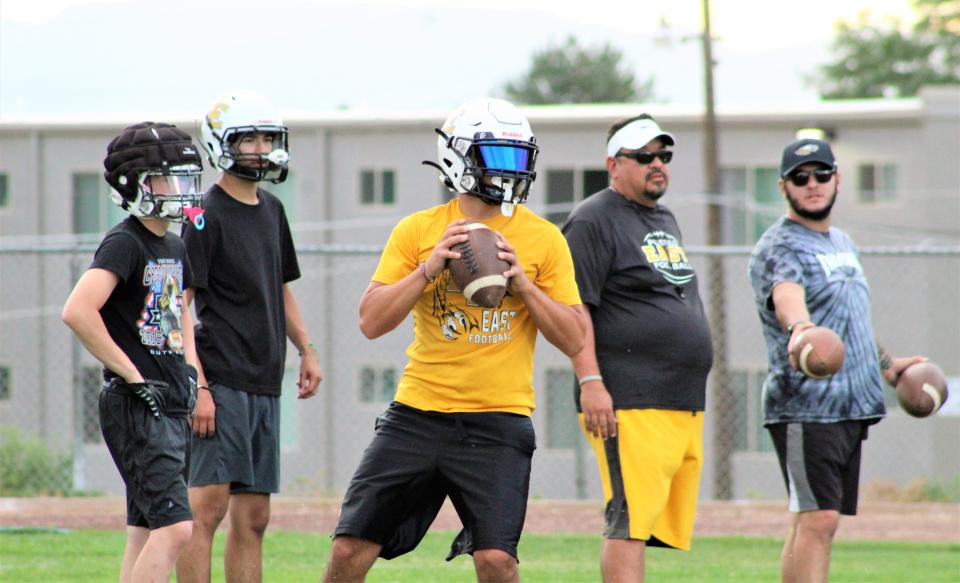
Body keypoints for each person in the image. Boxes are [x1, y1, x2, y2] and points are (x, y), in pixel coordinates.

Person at [323, 97, 585, 583]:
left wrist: (524, 285)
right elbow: (370, 322)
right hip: (418, 414)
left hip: (499, 418)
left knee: (497, 562)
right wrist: (428, 270)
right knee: (348, 548)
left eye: (518, 158)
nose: (511, 172)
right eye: (498, 157)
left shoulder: (545, 239)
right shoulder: (418, 230)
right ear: (458, 158)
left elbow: (574, 337)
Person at [748, 137, 925, 583]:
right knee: (818, 519)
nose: (813, 184)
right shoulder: (779, 245)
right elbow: (788, 296)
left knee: (815, 520)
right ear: (784, 186)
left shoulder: (841, 242)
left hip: (851, 405)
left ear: (837, 180)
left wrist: (888, 366)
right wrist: (801, 329)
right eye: (801, 177)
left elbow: (850, 321)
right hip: (806, 404)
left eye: (822, 174)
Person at [176, 91, 323, 583]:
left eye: (267, 138)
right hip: (220, 381)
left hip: (264, 381)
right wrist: (196, 384)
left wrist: (306, 348)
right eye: (248, 139)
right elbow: (181, 303)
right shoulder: (201, 213)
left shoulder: (272, 210)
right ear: (221, 144)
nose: (261, 149)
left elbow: (279, 287)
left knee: (254, 518)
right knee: (207, 510)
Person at [560, 114, 714, 583]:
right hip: (628, 398)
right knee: (627, 523)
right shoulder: (592, 219)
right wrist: (591, 383)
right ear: (613, 163)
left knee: (644, 524)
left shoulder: (662, 217)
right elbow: (575, 309)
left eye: (664, 155)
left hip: (679, 401)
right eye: (644, 156)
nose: (657, 164)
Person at [62, 121, 206, 582]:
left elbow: (180, 313)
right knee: (177, 528)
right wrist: (133, 376)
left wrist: (189, 372)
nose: (181, 190)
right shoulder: (125, 241)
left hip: (169, 401)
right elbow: (78, 310)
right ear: (134, 184)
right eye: (169, 178)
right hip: (137, 404)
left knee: (144, 530)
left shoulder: (175, 244)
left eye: (186, 178)